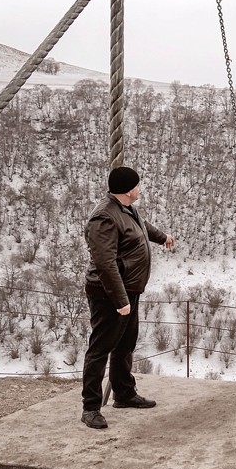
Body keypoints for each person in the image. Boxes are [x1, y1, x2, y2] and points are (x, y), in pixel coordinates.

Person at [81, 165, 175, 430]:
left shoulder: (126, 209)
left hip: (130, 289)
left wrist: (163, 237)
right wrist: (120, 301)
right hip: (108, 293)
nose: (140, 188)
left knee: (125, 344)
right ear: (129, 189)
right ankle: (90, 408)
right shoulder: (104, 217)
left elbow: (141, 227)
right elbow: (105, 264)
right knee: (100, 348)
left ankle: (123, 393)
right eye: (138, 184)